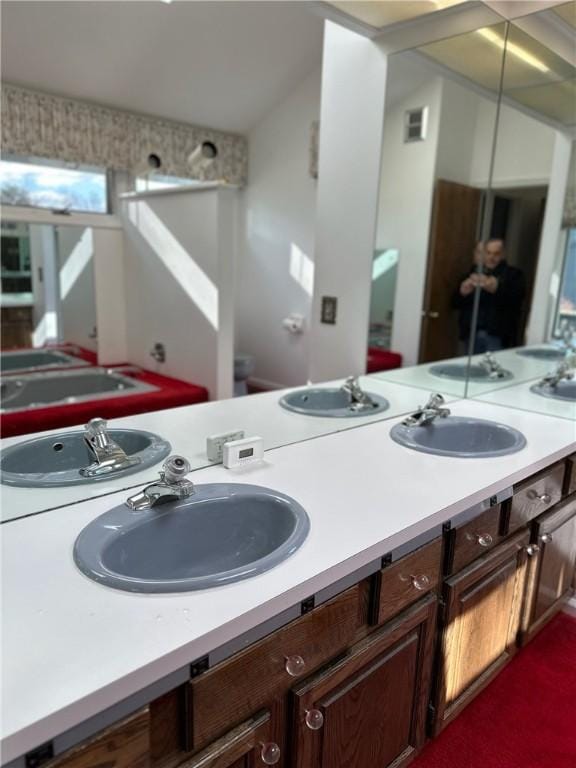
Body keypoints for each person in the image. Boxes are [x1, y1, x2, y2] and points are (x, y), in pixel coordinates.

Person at [453, 239, 526, 353]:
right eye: (488, 253)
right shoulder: (470, 275)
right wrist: (462, 292)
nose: (491, 258)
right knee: (469, 369)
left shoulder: (514, 275)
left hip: (497, 336)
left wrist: (497, 288)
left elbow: (517, 298)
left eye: (496, 254)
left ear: (503, 254)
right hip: (470, 335)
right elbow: (454, 303)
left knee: (493, 369)